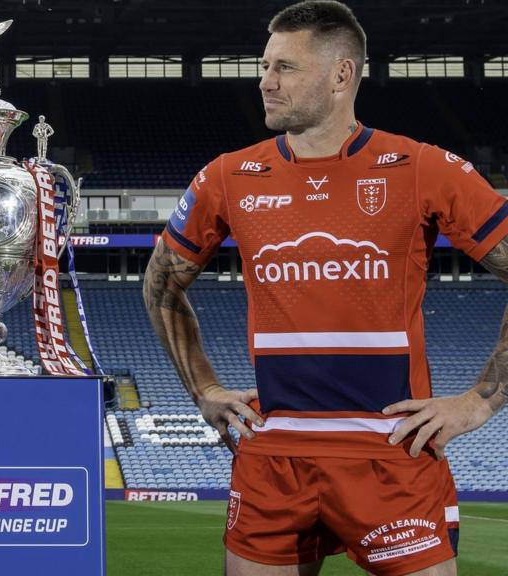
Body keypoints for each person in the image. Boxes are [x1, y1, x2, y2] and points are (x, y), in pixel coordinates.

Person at [143, 2, 508, 575]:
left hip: (392, 455)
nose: (265, 82)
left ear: (343, 74)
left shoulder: (421, 168)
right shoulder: (227, 177)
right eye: (265, 66)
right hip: (272, 458)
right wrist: (203, 390)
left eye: (285, 68)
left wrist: (480, 401)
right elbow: (162, 282)